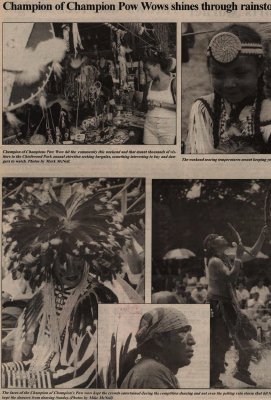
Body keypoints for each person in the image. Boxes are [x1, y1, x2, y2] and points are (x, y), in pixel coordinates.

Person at [1, 179, 135, 388]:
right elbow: (29, 359)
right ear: (48, 262)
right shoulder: (38, 300)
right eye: (61, 260)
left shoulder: (101, 300)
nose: (70, 268)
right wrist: (7, 375)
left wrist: (19, 383)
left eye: (77, 259)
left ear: (88, 257)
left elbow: (85, 375)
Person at [185, 24, 271, 154]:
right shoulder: (203, 109)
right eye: (218, 74)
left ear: (260, 69)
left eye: (240, 73)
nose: (229, 84)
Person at [204, 224, 268, 388]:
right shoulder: (214, 261)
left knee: (249, 333)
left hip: (228, 306)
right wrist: (238, 257)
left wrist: (261, 235)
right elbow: (231, 278)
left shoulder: (224, 258)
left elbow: (252, 254)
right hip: (216, 306)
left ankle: (242, 370)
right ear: (212, 244)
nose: (223, 237)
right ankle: (213, 380)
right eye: (218, 236)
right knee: (220, 342)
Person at [119, 307, 195, 388]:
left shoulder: (151, 369)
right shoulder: (152, 372)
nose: (192, 341)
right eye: (183, 332)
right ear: (159, 339)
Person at [142, 53, 176, 144]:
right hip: (149, 126)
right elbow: (143, 107)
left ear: (157, 66)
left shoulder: (173, 82)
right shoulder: (148, 85)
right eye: (145, 70)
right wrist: (147, 105)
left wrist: (160, 104)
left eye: (148, 70)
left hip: (168, 128)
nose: (146, 73)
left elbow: (181, 107)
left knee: (166, 156)